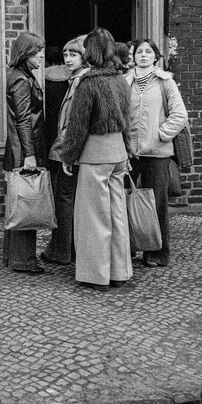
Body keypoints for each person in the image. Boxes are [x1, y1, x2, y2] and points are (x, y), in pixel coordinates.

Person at [60, 27, 133, 291]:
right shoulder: (121, 81)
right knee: (117, 215)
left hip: (95, 154)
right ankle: (119, 272)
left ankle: (96, 275)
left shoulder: (88, 83)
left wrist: (68, 156)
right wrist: (128, 150)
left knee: (94, 218)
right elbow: (128, 121)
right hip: (118, 152)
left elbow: (77, 125)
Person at [125, 38, 188, 267]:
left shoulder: (165, 82)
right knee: (126, 201)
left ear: (155, 56)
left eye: (148, 51)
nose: (143, 55)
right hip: (131, 153)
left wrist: (161, 134)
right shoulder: (125, 82)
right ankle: (129, 248)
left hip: (157, 153)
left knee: (157, 204)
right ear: (133, 57)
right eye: (139, 52)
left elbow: (179, 114)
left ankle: (157, 253)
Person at [2, 32, 48, 274]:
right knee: (26, 204)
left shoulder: (22, 75)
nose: (41, 55)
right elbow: (23, 119)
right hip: (23, 150)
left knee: (18, 203)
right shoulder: (21, 79)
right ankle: (23, 259)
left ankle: (13, 255)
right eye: (37, 51)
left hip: (20, 148)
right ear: (25, 53)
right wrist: (30, 154)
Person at [42, 35, 88, 266]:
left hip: (70, 151)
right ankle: (65, 249)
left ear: (84, 56)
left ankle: (61, 251)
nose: (68, 59)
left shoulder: (80, 81)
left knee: (64, 199)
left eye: (73, 54)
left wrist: (65, 151)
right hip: (71, 149)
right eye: (66, 55)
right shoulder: (74, 79)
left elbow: (73, 123)